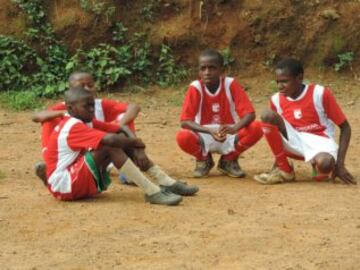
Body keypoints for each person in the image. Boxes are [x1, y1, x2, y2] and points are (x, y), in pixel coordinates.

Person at [44, 86, 198, 205]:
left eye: (92, 105)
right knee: (109, 145)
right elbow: (111, 140)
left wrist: (138, 148)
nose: (92, 110)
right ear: (70, 108)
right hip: (64, 185)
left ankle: (166, 182)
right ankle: (151, 192)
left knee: (118, 140)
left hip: (73, 179)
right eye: (87, 106)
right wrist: (135, 142)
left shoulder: (85, 120)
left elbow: (120, 128)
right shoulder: (72, 125)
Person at [254, 58, 356, 185]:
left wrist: (340, 164)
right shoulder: (276, 99)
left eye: (284, 81)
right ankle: (284, 170)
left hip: (320, 141)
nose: (280, 86)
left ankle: (318, 166)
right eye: (278, 82)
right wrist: (278, 162)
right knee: (267, 115)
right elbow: (276, 132)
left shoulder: (319, 93)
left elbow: (345, 127)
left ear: (299, 78)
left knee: (325, 164)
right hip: (293, 139)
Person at [176, 49, 263, 178]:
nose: (207, 72)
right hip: (203, 133)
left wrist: (234, 128)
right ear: (198, 71)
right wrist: (209, 131)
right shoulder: (196, 87)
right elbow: (185, 121)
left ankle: (228, 160)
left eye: (212, 68)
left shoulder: (230, 84)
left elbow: (249, 114)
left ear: (222, 70)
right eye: (203, 68)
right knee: (182, 137)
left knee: (258, 127)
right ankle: (203, 159)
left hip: (228, 132)